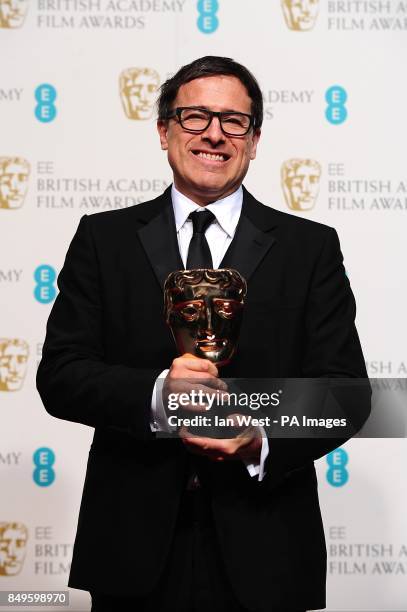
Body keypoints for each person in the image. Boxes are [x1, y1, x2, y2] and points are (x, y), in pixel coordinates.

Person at [37, 56, 370, 612]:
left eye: (234, 121)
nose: (214, 134)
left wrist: (262, 434)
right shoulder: (104, 239)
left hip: (267, 550)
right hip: (131, 554)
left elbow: (347, 396)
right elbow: (61, 376)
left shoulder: (309, 248)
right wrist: (155, 393)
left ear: (255, 139)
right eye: (195, 117)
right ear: (164, 130)